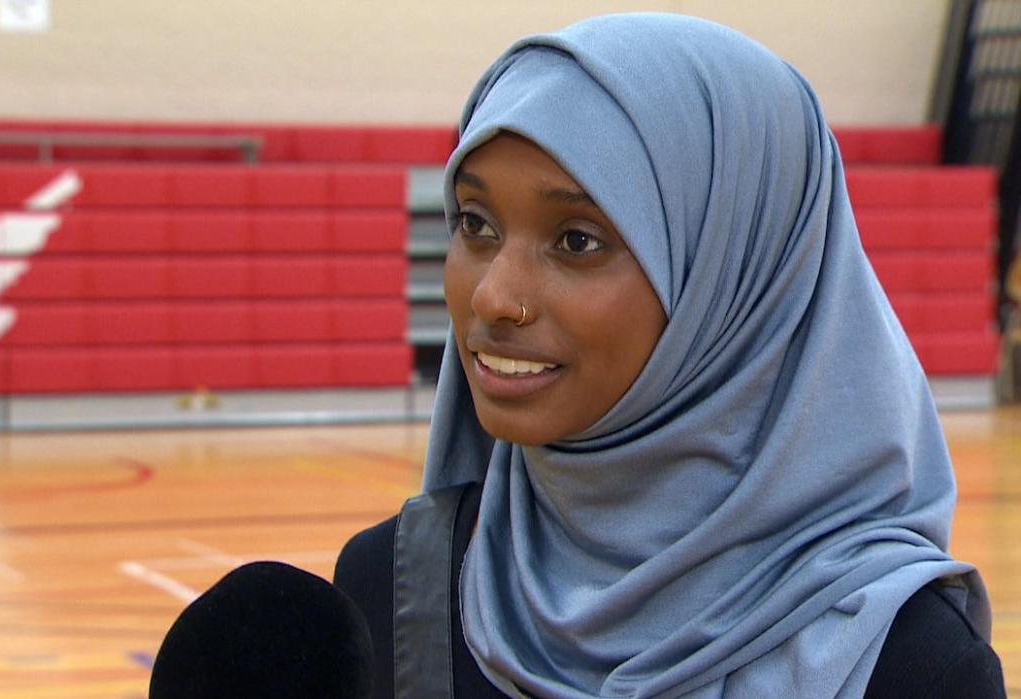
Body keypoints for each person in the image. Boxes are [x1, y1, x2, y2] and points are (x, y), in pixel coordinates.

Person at [334, 12, 1006, 699]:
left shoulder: (906, 666)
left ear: (730, 280)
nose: (495, 296)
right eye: (475, 224)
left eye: (576, 240)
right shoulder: (392, 589)